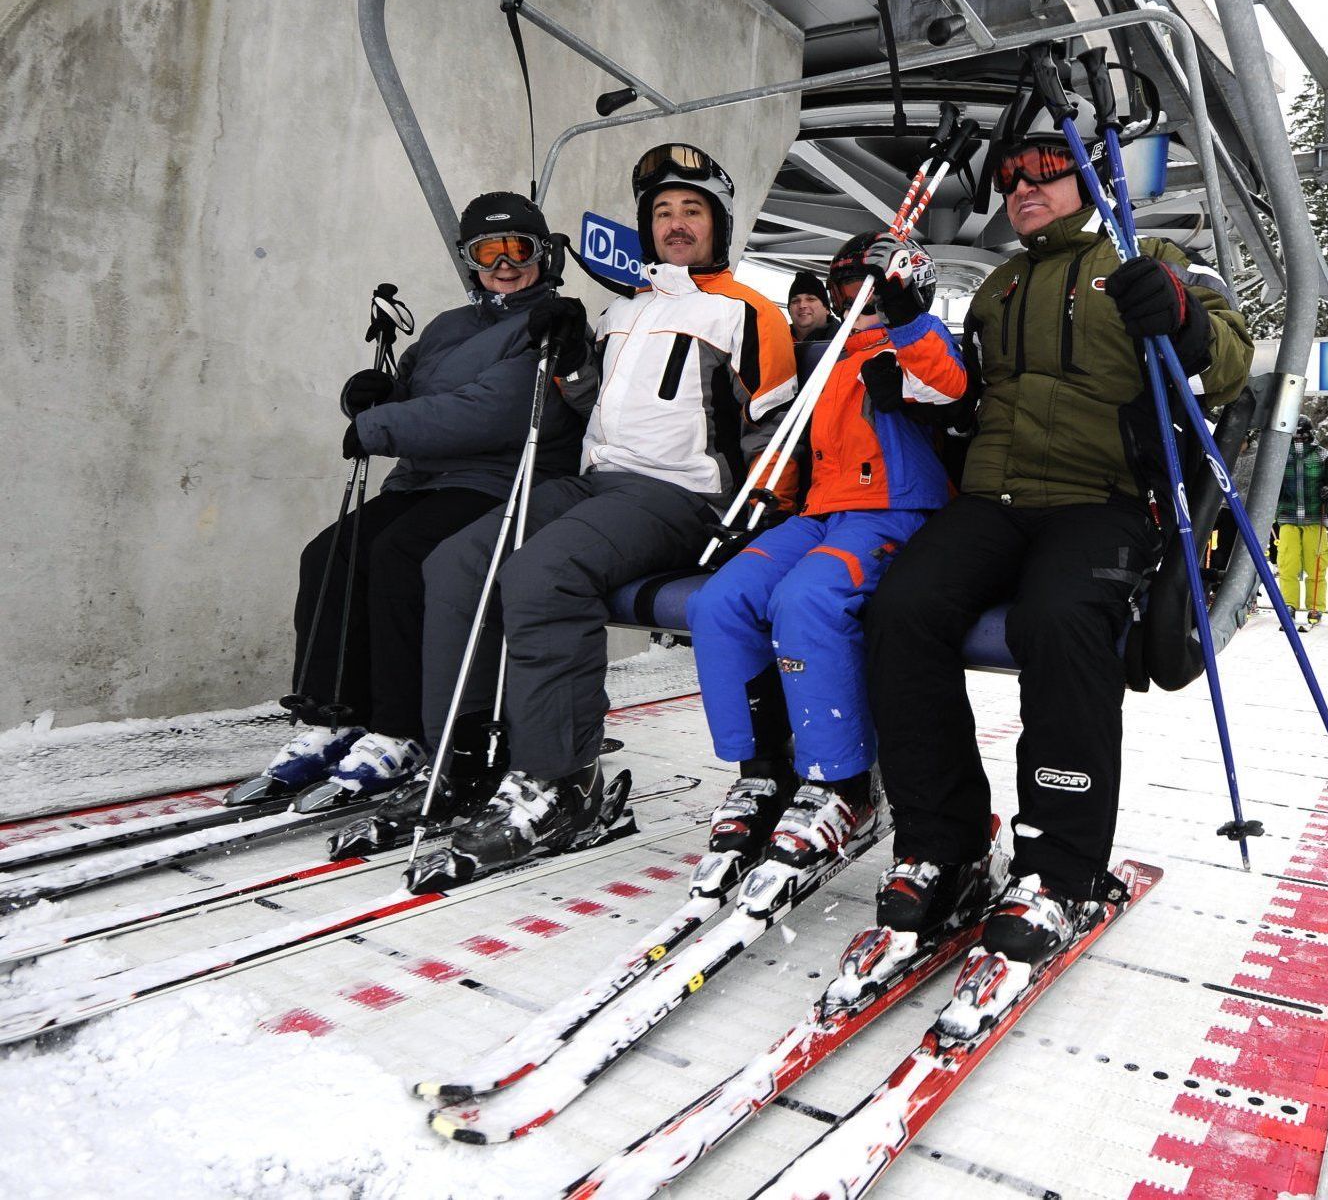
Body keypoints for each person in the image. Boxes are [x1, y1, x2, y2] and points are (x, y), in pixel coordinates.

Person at [862, 100, 1254, 966]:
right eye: (1009, 174)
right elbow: (974, 397)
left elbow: (1228, 358)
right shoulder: (999, 288)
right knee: (900, 609)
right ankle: (944, 840)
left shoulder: (1151, 260)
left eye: (1044, 166)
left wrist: (1182, 316)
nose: (1022, 185)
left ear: (1088, 174)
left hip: (1101, 496)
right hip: (994, 499)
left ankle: (1058, 865)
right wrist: (917, 391)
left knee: (1062, 622)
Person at [406, 143, 798, 886]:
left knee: (543, 576)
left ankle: (561, 782)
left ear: (718, 222)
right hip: (598, 483)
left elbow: (773, 432)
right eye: (662, 212)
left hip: (680, 497)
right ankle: (460, 754)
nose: (676, 224)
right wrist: (574, 365)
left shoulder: (749, 314)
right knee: (457, 562)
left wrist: (765, 518)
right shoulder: (625, 311)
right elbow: (596, 412)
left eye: (691, 211)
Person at [236, 192, 585, 806]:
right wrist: (371, 397)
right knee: (329, 554)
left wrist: (378, 427)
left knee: (402, 556)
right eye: (487, 251)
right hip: (422, 480)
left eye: (519, 249)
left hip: (496, 480)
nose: (504, 264)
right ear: (470, 260)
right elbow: (410, 393)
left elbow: (491, 412)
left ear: (544, 254)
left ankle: (402, 731)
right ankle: (334, 714)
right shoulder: (450, 326)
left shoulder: (551, 324)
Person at [686, 231, 964, 884]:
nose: (854, 302)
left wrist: (906, 323)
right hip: (822, 511)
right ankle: (763, 771)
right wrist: (760, 505)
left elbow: (950, 391)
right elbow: (793, 444)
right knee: (720, 601)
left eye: (868, 289)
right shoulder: (830, 356)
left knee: (807, 599)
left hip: (895, 508)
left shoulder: (916, 339)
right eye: (845, 291)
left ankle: (843, 784)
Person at [1275, 414, 1328, 626]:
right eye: (1295, 436)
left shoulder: (1322, 455)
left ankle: (1315, 606)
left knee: (1316, 563)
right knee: (1288, 563)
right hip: (1288, 516)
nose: (1298, 440)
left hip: (1314, 517)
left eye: (1302, 436)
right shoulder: (1281, 455)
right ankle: (1288, 603)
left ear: (1310, 434)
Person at [786, 270, 841, 376]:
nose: (802, 305)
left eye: (810, 299)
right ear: (789, 309)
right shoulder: (774, 342)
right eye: (795, 301)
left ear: (827, 309)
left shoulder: (847, 342)